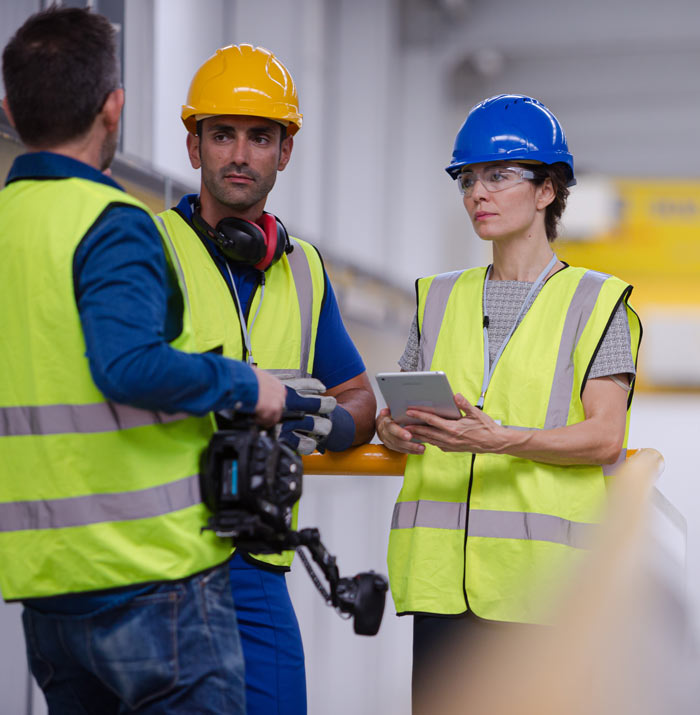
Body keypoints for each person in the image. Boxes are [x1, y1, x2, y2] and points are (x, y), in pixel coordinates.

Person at [0, 8, 287, 713]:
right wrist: (244, 381)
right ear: (112, 107)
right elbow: (127, 366)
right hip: (150, 578)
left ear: (9, 111)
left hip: (47, 583)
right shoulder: (112, 221)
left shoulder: (9, 225)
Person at [376, 94, 642, 700]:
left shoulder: (596, 303)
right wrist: (394, 430)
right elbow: (401, 413)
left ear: (547, 190)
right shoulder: (436, 296)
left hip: (545, 591)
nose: (477, 193)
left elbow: (606, 436)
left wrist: (503, 439)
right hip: (443, 584)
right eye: (468, 179)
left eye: (499, 176)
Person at [158, 44, 376, 714]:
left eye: (261, 137)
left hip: (259, 560)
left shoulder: (304, 269)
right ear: (194, 148)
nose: (240, 155)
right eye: (221, 134)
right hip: (162, 559)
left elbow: (360, 394)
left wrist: (326, 423)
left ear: (285, 152)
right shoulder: (149, 247)